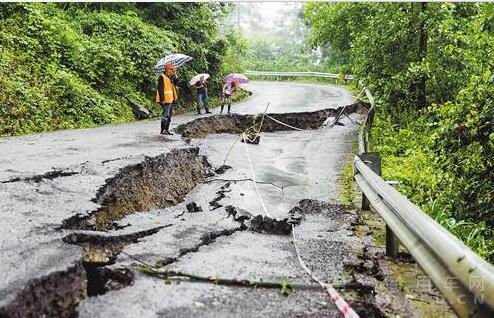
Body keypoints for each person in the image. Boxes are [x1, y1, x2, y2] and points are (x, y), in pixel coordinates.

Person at [155, 64, 178, 135]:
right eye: (172, 69)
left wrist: (176, 77)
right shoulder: (162, 77)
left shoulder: (170, 77)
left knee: (170, 115)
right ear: (167, 69)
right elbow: (160, 89)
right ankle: (163, 130)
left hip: (171, 98)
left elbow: (175, 84)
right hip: (165, 99)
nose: (173, 71)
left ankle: (167, 129)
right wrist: (162, 99)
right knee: (166, 114)